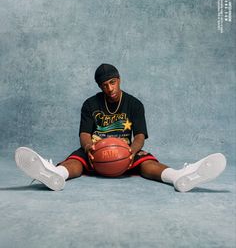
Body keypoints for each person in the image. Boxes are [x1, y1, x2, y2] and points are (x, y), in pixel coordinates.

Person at [15, 63, 227, 192]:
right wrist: (89, 148)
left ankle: (179, 176)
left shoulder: (134, 104)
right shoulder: (90, 104)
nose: (110, 88)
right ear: (100, 87)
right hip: (95, 152)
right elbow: (85, 134)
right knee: (75, 163)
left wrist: (131, 152)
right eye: (105, 85)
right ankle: (55, 174)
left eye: (113, 82)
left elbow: (140, 136)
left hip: (126, 151)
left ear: (119, 80)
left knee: (148, 165)